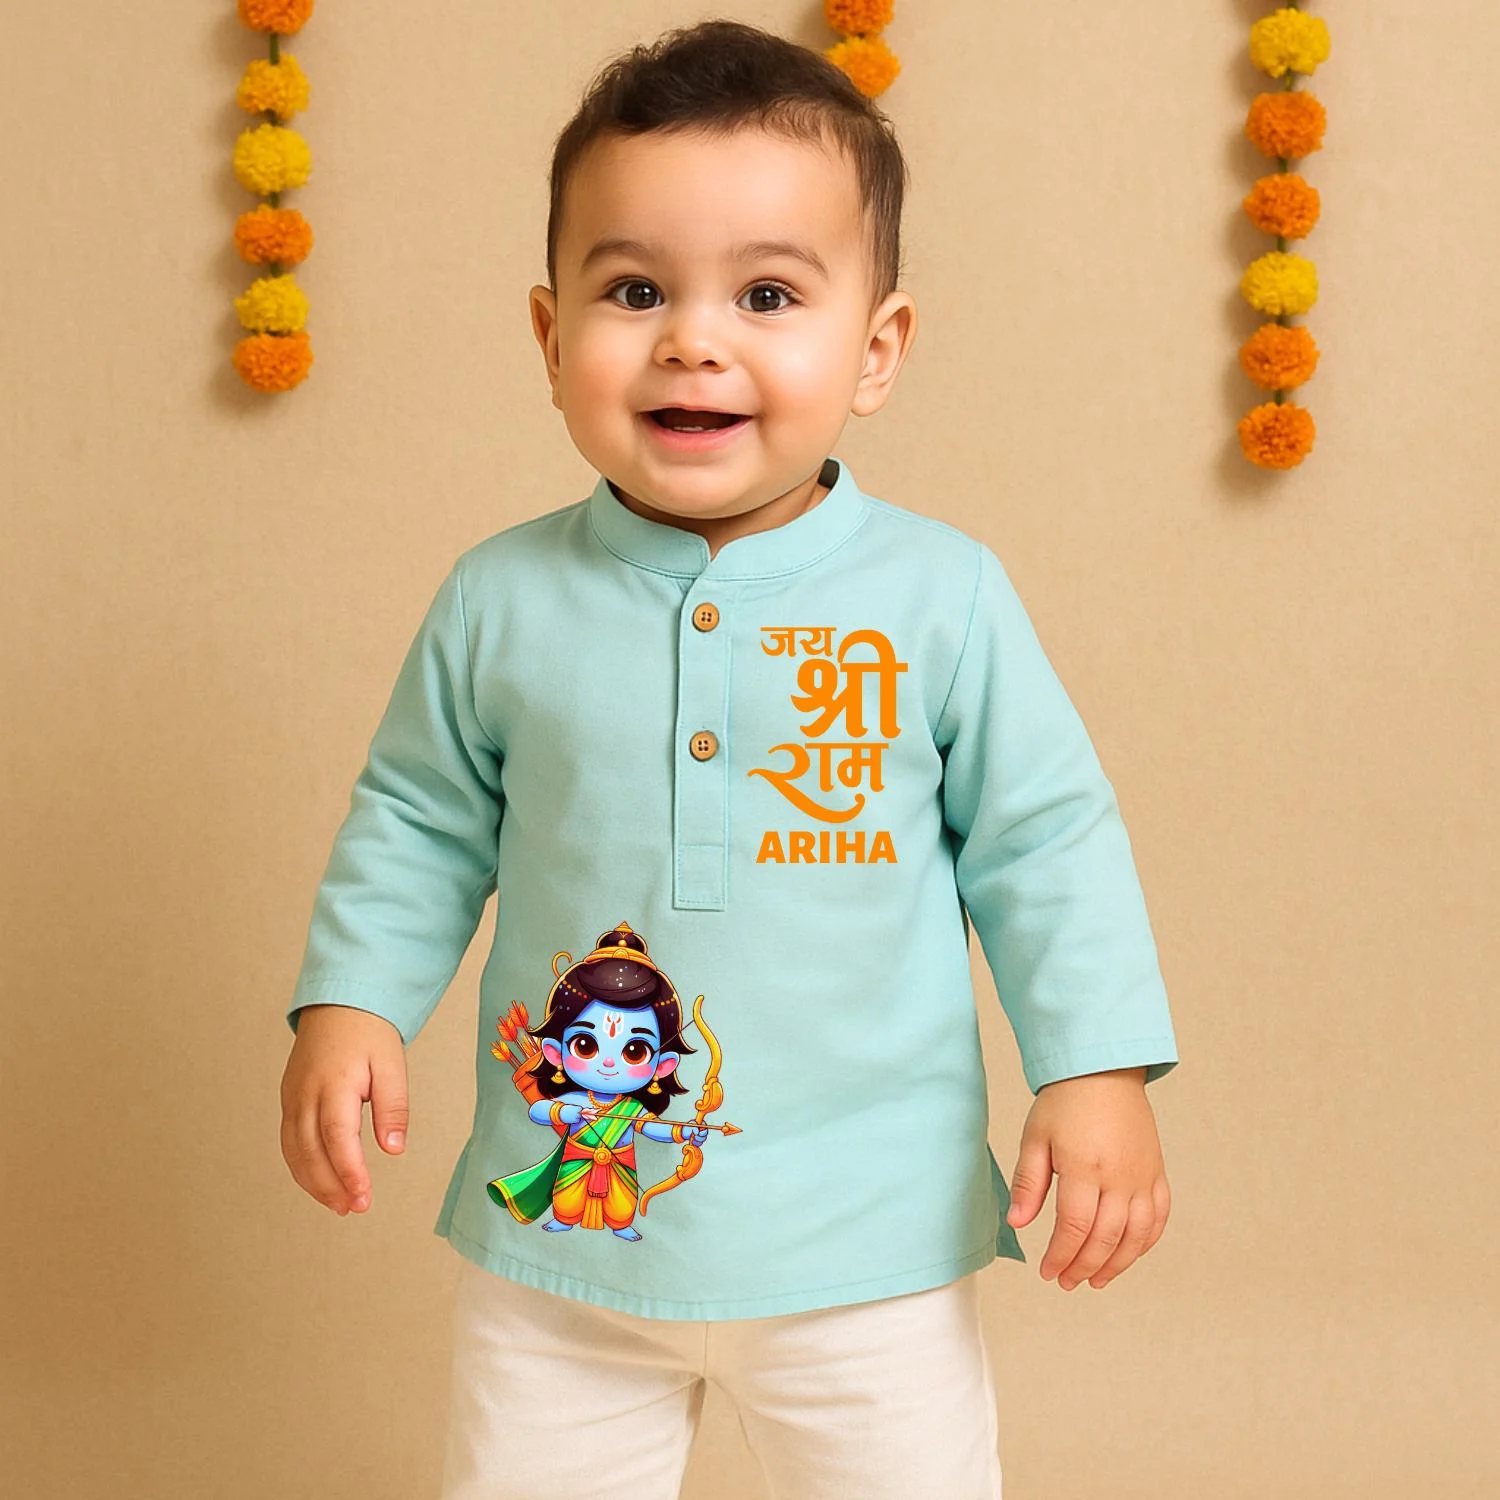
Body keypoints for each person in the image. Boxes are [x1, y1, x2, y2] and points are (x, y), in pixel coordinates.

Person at [278, 18, 1181, 1500]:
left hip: (868, 1243)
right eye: (634, 290)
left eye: (767, 294)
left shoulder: (941, 597)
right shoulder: (499, 600)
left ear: (876, 349)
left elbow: (1047, 840)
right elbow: (419, 821)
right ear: (549, 337)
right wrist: (351, 999)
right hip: (570, 1241)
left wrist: (1095, 1069)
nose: (693, 340)